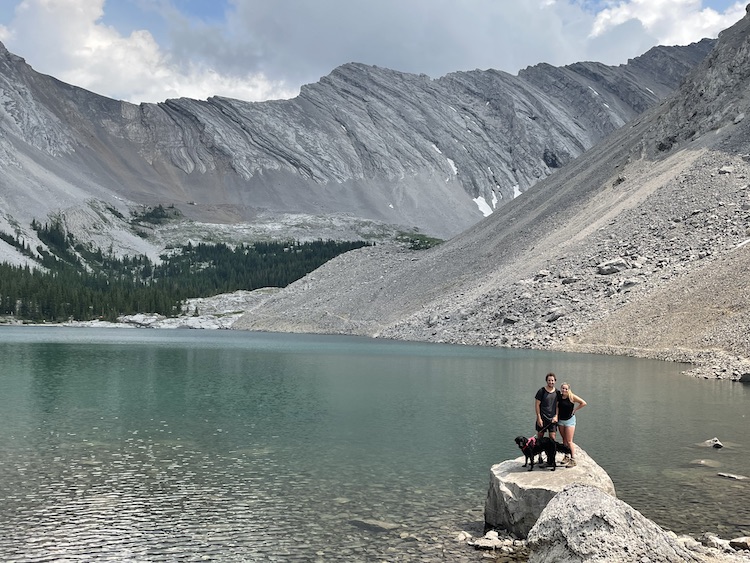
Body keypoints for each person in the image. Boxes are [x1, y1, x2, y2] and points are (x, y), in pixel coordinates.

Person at [557, 382, 587, 467]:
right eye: (563, 388)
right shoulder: (560, 397)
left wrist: (575, 410)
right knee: (564, 440)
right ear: (561, 389)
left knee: (569, 441)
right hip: (561, 421)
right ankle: (566, 456)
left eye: (566, 389)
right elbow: (557, 407)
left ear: (569, 389)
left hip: (570, 421)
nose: (564, 390)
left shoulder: (571, 397)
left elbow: (583, 403)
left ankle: (573, 459)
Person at [534, 372, 559, 443]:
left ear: (555, 381)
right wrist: (539, 418)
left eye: (552, 380)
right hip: (542, 418)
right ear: (546, 381)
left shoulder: (557, 392)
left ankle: (551, 453)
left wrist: (556, 416)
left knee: (552, 437)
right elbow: (537, 405)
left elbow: (557, 406)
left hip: (552, 419)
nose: (551, 382)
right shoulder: (541, 391)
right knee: (540, 436)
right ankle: (539, 453)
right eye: (549, 380)